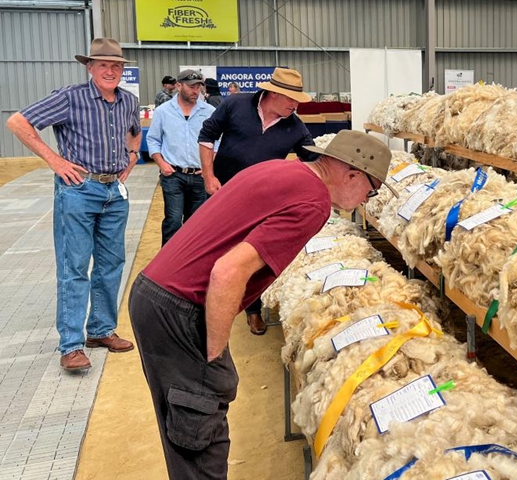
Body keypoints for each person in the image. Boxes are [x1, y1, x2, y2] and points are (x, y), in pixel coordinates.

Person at [129, 130, 396, 479]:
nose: (365, 200)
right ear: (351, 174)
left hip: (158, 292)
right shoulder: (314, 202)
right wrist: (212, 357)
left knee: (186, 427)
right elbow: (227, 272)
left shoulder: (283, 171)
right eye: (370, 190)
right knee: (199, 426)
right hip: (180, 307)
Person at [5, 37, 140, 371]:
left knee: (111, 265)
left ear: (123, 69)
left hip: (113, 192)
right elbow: (18, 122)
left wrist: (132, 156)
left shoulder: (128, 101)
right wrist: (54, 160)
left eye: (116, 66)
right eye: (103, 65)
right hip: (78, 190)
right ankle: (71, 345)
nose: (110, 71)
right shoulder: (70, 97)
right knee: (75, 267)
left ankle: (101, 330)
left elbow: (134, 132)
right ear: (90, 67)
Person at [198, 67, 319, 335]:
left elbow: (313, 160)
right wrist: (208, 176)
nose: (295, 105)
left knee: (251, 254)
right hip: (223, 192)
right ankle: (204, 300)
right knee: (214, 246)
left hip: (262, 202)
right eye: (291, 99)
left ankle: (252, 309)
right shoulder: (235, 105)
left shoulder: (295, 126)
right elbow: (207, 135)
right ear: (273, 93)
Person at [147, 69, 216, 246]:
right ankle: (166, 265)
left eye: (199, 87)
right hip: (173, 174)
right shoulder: (163, 111)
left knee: (196, 224)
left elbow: (219, 140)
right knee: (173, 220)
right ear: (179, 86)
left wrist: (209, 164)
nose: (196, 91)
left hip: (199, 175)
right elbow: (153, 139)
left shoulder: (208, 111)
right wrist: (161, 163)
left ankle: (189, 263)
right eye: (192, 87)